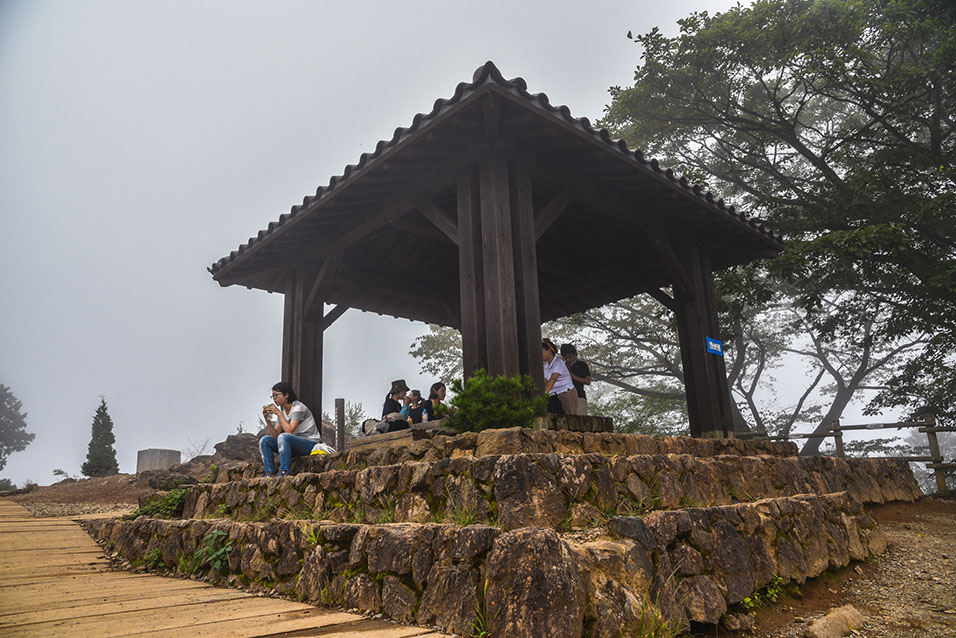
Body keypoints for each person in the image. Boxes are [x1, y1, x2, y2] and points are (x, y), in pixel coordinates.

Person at [259, 382, 323, 477]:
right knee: (265, 440)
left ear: (287, 395)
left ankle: (284, 472)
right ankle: (269, 472)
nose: (274, 398)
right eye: (272, 396)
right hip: (295, 445)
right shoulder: (283, 412)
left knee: (284, 436)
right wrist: (267, 420)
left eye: (277, 395)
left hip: (309, 443)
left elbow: (290, 431)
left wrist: (279, 414)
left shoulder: (298, 407)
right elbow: (276, 435)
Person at [542, 338, 577, 415]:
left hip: (566, 393)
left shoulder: (558, 362)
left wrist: (544, 394)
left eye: (542, 351)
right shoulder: (546, 365)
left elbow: (553, 379)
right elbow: (545, 381)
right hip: (555, 395)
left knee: (570, 417)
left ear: (549, 351)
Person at [560, 343, 591, 415]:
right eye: (565, 358)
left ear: (574, 354)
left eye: (569, 357)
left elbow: (587, 381)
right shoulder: (562, 367)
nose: (567, 359)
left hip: (579, 397)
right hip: (565, 399)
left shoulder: (582, 365)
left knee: (581, 420)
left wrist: (573, 377)